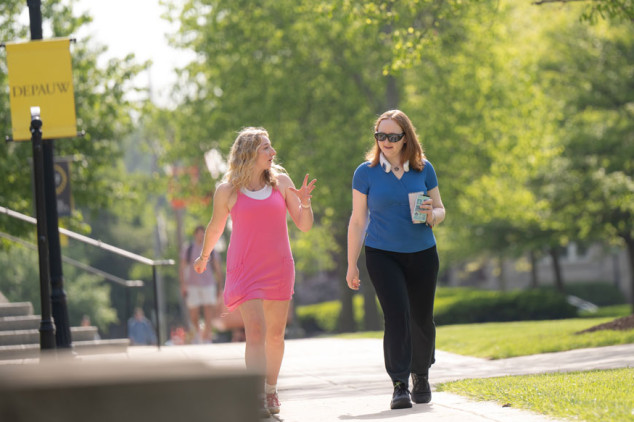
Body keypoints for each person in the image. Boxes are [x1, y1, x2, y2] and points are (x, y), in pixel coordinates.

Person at [193, 127, 316, 416]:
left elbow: (305, 224)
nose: (273, 153)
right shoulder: (227, 191)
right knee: (256, 332)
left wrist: (306, 201)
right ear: (248, 152)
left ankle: (271, 390)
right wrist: (204, 256)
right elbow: (215, 227)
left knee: (275, 335)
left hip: (278, 267)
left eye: (271, 148)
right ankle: (256, 396)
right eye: (266, 148)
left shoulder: (281, 183)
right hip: (245, 269)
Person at [346, 110, 446, 410]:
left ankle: (421, 374)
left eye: (393, 136)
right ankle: (399, 384)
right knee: (396, 315)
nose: (386, 141)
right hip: (382, 253)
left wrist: (433, 216)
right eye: (380, 136)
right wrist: (352, 263)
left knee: (421, 318)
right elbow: (357, 220)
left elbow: (440, 208)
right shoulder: (365, 172)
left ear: (406, 137)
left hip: (422, 253)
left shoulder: (423, 168)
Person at [179, 225, 224, 343]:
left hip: (208, 284)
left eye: (203, 233)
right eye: (199, 233)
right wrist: (183, 284)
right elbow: (182, 267)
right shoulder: (188, 249)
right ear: (195, 234)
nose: (201, 235)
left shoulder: (211, 249)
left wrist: (220, 286)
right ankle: (197, 334)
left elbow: (217, 268)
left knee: (209, 311)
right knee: (194, 312)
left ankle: (207, 337)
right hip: (192, 285)